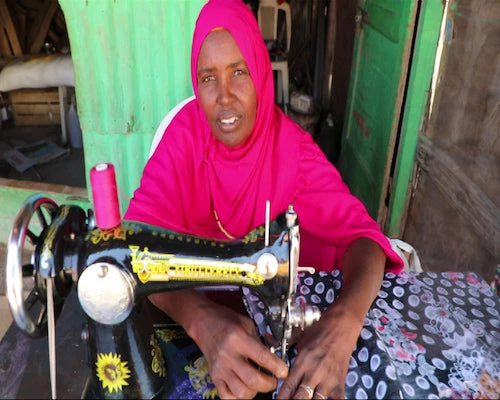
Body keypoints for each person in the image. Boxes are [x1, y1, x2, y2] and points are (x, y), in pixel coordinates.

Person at [125, 0, 404, 398]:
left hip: (262, 332)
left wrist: (344, 322)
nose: (224, 97)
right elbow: (134, 248)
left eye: (238, 72)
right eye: (208, 78)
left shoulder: (294, 153)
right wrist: (200, 319)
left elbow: (364, 241)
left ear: (259, 70)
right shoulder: (183, 141)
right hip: (187, 319)